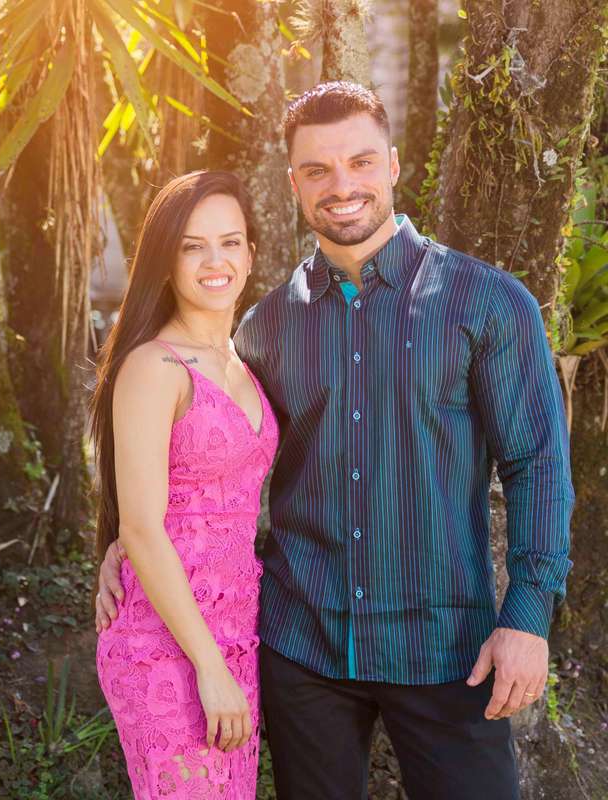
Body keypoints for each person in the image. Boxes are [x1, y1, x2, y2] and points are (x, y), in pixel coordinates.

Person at [95, 81, 574, 799]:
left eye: (360, 162)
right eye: (317, 170)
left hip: (446, 651)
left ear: (393, 164)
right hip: (304, 651)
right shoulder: (264, 327)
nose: (341, 185)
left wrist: (529, 617)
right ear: (293, 183)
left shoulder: (485, 302)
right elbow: (202, 449)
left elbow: (537, 462)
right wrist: (128, 541)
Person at [92, 170, 279, 798]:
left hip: (237, 634)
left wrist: (227, 662)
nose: (215, 260)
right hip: (168, 645)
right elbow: (142, 529)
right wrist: (209, 667)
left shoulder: (243, 363)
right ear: (166, 260)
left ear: (252, 254)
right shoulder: (153, 366)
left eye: (230, 242)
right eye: (193, 245)